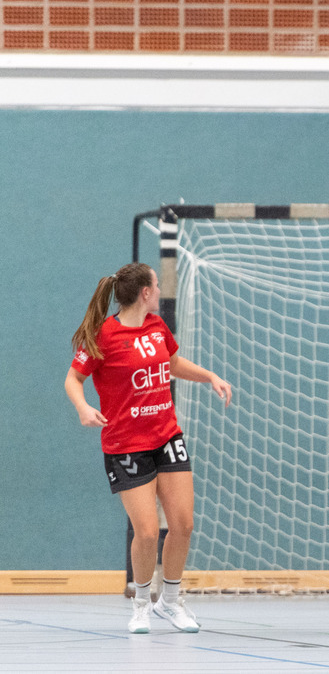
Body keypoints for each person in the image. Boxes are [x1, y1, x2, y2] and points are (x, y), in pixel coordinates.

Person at [65, 262, 231, 635]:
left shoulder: (157, 327)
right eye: (156, 285)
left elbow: (171, 363)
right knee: (146, 532)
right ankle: (141, 604)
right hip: (126, 444)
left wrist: (209, 377)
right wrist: (82, 407)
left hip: (166, 437)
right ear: (145, 292)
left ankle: (169, 603)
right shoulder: (103, 335)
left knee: (184, 524)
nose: (158, 290)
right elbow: (73, 378)